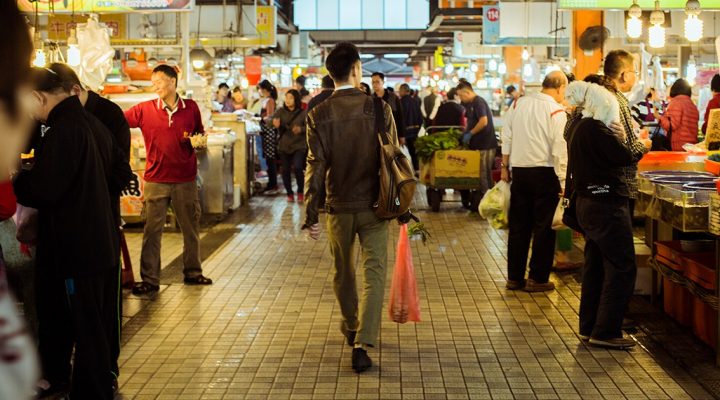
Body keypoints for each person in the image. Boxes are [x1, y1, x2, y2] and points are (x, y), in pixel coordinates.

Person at [15, 67, 121, 400]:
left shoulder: (63, 131)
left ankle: (93, 392)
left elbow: (45, 189)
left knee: (85, 328)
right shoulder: (93, 125)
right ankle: (91, 387)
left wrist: (17, 178)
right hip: (100, 244)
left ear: (38, 96)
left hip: (77, 249)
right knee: (94, 325)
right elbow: (119, 172)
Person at [303, 42, 399, 373]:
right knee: (374, 273)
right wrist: (399, 205)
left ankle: (351, 325)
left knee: (343, 272)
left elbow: (314, 165)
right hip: (375, 206)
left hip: (339, 206)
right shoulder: (379, 108)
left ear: (330, 74)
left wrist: (310, 212)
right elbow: (393, 157)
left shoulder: (318, 113)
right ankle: (363, 342)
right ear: (356, 70)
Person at [48, 62, 131, 388]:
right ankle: (65, 374)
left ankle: (102, 374)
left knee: (96, 311)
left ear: (74, 91)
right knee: (72, 309)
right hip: (69, 233)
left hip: (97, 228)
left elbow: (120, 171)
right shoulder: (56, 123)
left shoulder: (102, 118)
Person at [125, 65, 212, 296]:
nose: (155, 86)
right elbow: (118, 121)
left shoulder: (191, 108)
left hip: (185, 178)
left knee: (190, 228)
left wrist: (197, 142)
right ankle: (150, 279)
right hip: (156, 179)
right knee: (152, 231)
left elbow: (200, 136)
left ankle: (193, 272)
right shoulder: (144, 109)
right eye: (153, 82)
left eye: (159, 81)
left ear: (173, 82)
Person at [565, 82, 637, 350]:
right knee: (622, 265)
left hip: (587, 202)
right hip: (605, 203)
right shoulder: (598, 129)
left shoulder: (577, 127)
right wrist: (634, 141)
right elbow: (627, 156)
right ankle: (606, 331)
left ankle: (589, 327)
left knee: (595, 265)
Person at [501, 71, 568, 292]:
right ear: (559, 88)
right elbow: (560, 148)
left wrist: (504, 166)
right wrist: (563, 180)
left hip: (519, 171)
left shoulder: (519, 103)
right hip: (545, 173)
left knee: (519, 226)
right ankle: (537, 279)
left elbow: (507, 134)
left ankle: (514, 278)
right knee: (544, 227)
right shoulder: (556, 110)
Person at [603, 50, 651, 218]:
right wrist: (643, 145)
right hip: (617, 189)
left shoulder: (594, 97)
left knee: (596, 242)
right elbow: (627, 152)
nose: (635, 77)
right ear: (624, 74)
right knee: (618, 242)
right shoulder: (618, 102)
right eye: (634, 72)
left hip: (594, 188)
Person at [456, 80, 497, 197]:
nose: (460, 98)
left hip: (486, 144)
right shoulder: (471, 104)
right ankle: (483, 199)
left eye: (461, 95)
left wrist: (470, 133)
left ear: (467, 93)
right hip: (478, 145)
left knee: (485, 174)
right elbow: (470, 121)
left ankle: (488, 201)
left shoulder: (478, 102)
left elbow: (484, 121)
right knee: (481, 174)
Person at [273, 89, 307, 202]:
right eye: (286, 97)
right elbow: (270, 121)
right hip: (284, 145)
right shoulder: (280, 111)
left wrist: (301, 129)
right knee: (285, 170)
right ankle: (289, 193)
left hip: (299, 146)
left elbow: (310, 127)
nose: (287, 100)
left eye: (290, 98)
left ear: (296, 99)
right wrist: (275, 124)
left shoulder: (303, 113)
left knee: (298, 167)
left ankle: (300, 192)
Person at [653, 79, 699, 151]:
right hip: (692, 146)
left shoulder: (676, 102)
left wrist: (659, 117)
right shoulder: (692, 105)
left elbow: (672, 126)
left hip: (679, 145)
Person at [257, 79, 280, 194]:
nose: (259, 91)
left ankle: (273, 184)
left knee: (270, 159)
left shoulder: (270, 101)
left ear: (264, 89)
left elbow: (270, 117)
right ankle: (272, 184)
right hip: (266, 132)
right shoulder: (266, 100)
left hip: (269, 132)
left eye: (260, 89)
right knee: (269, 158)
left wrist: (259, 118)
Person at [371, 72, 405, 145]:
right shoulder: (370, 99)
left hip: (392, 133)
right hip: (376, 136)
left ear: (383, 82)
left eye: (377, 82)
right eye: (373, 82)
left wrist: (402, 135)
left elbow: (400, 116)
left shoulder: (393, 97)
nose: (374, 84)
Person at [399, 83, 423, 170]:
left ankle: (404, 170)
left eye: (400, 90)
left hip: (405, 132)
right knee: (414, 152)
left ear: (403, 91)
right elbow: (421, 117)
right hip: (415, 131)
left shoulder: (400, 102)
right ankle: (417, 169)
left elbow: (401, 119)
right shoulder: (415, 101)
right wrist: (417, 128)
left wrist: (401, 133)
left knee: (403, 152)